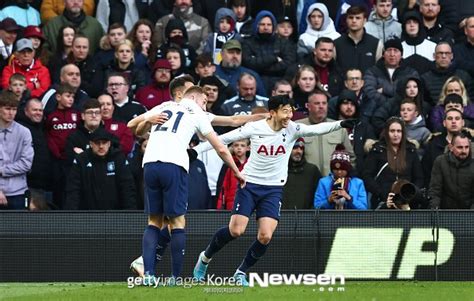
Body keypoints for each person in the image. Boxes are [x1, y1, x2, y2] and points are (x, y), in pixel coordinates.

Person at [192, 94, 356, 285]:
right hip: (249, 185)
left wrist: (341, 124)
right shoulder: (256, 128)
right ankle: (204, 258)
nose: (289, 115)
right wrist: (195, 151)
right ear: (272, 113)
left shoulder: (293, 129)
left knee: (265, 236)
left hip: (273, 188)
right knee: (236, 231)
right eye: (285, 111)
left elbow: (316, 130)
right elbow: (224, 138)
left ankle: (241, 272)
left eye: (291, 111)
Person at [140, 86, 245, 284]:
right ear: (194, 97)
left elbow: (136, 126)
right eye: (204, 101)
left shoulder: (164, 105)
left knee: (154, 221)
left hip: (150, 164)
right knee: (177, 222)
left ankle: (148, 275)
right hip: (174, 164)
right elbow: (221, 147)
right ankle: (175, 278)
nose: (205, 106)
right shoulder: (197, 112)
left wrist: (146, 120)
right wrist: (236, 171)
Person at [64, 128, 137, 210]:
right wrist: (72, 215)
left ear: (109, 144)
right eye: (97, 143)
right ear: (91, 144)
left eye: (104, 143)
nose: (101, 146)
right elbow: (73, 190)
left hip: (115, 214)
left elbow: (127, 188)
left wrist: (130, 212)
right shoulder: (81, 160)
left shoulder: (118, 158)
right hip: (87, 213)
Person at [363, 117, 424, 209]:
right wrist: (382, 194)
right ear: (386, 132)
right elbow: (367, 176)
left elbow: (419, 177)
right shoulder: (377, 150)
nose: (396, 134)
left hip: (408, 201)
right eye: (392, 131)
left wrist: (410, 194)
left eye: (399, 131)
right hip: (382, 200)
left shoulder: (411, 151)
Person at [297, 89, 355, 176]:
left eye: (324, 103)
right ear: (308, 106)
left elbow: (351, 157)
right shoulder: (298, 127)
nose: (321, 106)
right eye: (317, 103)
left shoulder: (339, 127)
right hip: (305, 181)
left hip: (332, 182)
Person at [241, 10, 296, 95]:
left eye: (269, 25)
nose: (266, 27)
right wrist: (274, 58)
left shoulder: (284, 43)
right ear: (257, 25)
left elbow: (288, 63)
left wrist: (261, 67)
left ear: (273, 26)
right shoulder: (248, 43)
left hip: (280, 84)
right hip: (256, 84)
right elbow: (249, 63)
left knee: (284, 107)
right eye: (262, 24)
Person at [0, 91, 34, 210]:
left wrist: (2, 170)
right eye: (7, 108)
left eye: (14, 109)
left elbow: (26, 164)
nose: (11, 113)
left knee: (18, 228)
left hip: (18, 192)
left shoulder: (24, 132)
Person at [16, 98, 53, 200]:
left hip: (45, 183)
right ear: (26, 111)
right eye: (34, 110)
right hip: (27, 185)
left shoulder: (43, 127)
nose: (38, 113)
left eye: (40, 110)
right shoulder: (19, 129)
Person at [314, 144, 368, 210]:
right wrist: (328, 201)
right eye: (336, 169)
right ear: (332, 169)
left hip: (352, 219)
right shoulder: (323, 182)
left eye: (342, 169)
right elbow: (317, 207)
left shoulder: (358, 183)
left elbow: (363, 208)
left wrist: (349, 198)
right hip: (329, 219)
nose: (339, 172)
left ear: (348, 169)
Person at [429, 132, 474, 209]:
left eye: (466, 147)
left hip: (469, 212)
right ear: (451, 147)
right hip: (445, 211)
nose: (464, 151)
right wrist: (435, 213)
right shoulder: (440, 161)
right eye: (460, 147)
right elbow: (435, 190)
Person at [334, 5, 383, 73]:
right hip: (343, 83)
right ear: (346, 20)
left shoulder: (376, 44)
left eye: (358, 18)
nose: (354, 21)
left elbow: (380, 71)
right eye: (351, 18)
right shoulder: (337, 44)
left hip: (368, 83)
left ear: (365, 21)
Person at [282, 137, 322, 209]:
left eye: (301, 148)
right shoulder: (279, 170)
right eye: (295, 148)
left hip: (306, 218)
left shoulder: (312, 171)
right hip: (282, 217)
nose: (299, 151)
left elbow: (319, 197)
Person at [216, 138, 249, 210]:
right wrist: (220, 207)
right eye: (236, 145)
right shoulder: (227, 165)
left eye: (242, 145)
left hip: (248, 202)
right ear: (233, 147)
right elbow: (222, 187)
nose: (239, 148)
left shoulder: (251, 165)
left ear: (248, 148)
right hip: (231, 204)